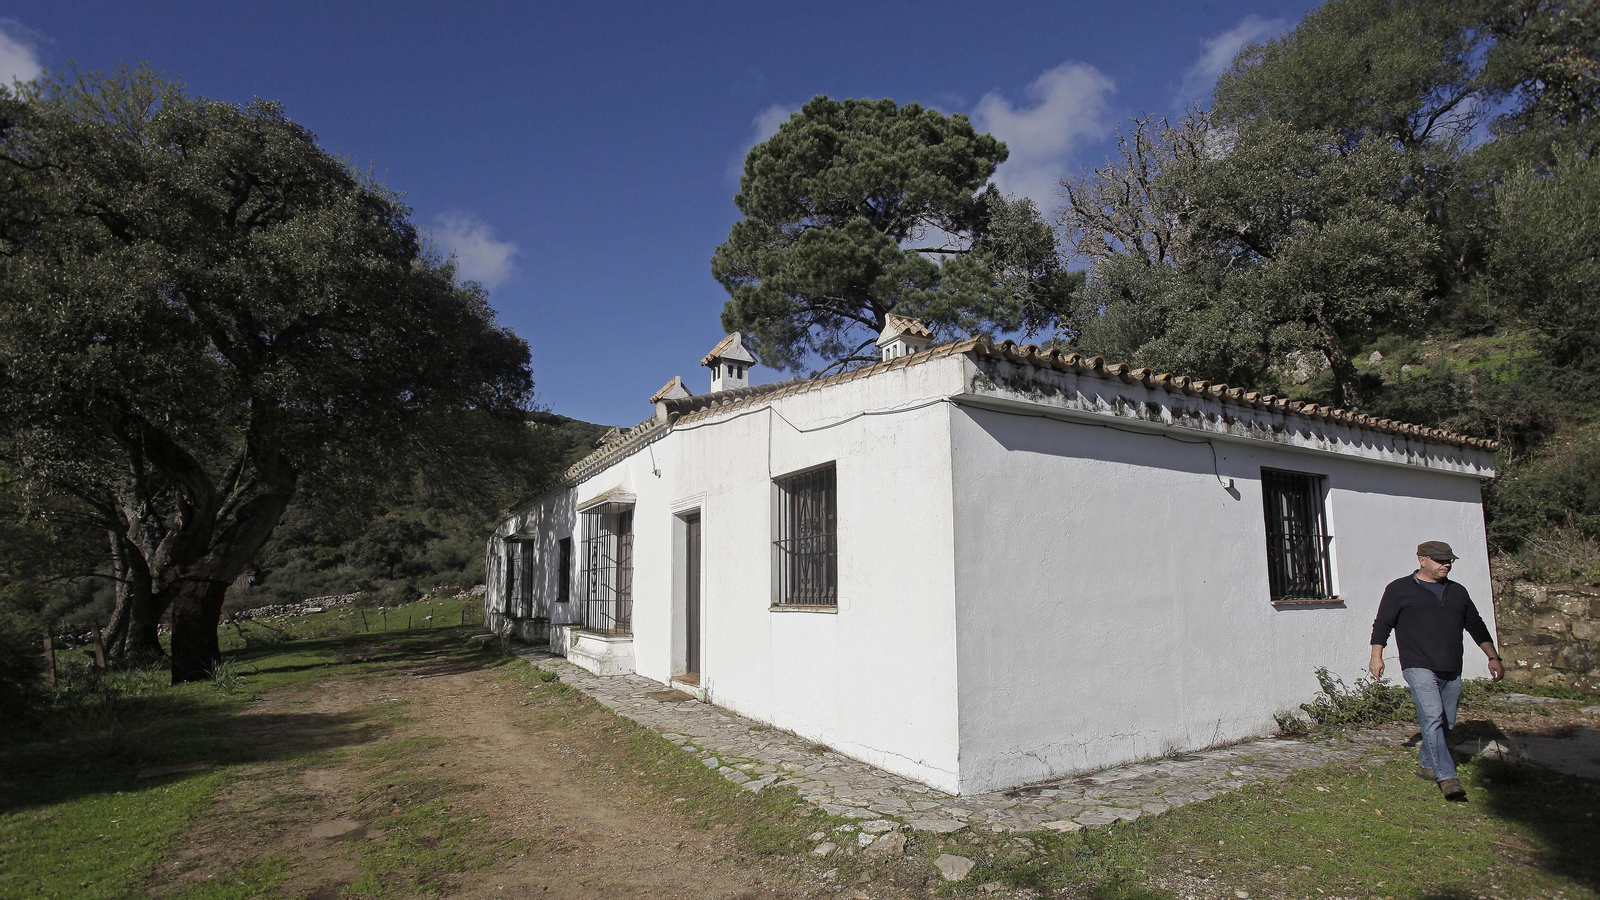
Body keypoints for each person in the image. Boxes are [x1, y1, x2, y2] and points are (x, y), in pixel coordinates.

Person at [1370, 540, 1503, 801]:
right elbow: (1383, 624)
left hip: (1451, 665)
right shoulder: (1399, 589)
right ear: (1421, 559)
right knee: (1432, 717)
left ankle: (1427, 766)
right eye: (1440, 560)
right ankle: (1448, 777)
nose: (1446, 565)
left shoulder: (1458, 592)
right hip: (1418, 664)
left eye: (1449, 560)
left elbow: (1476, 626)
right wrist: (1377, 656)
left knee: (1445, 721)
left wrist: (1493, 657)